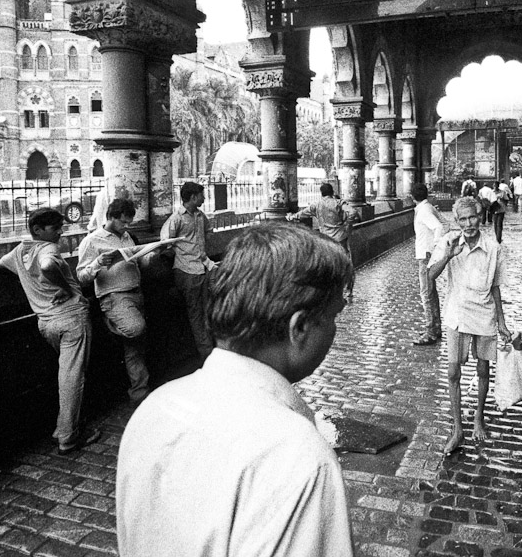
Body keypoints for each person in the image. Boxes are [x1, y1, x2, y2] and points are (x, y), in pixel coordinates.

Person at [117, 221, 355, 557]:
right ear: (299, 327)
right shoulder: (297, 456)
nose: (333, 331)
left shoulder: (155, 408)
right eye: (333, 317)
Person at [0, 208, 100, 454]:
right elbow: (46, 266)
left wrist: (28, 279)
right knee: (72, 378)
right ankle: (68, 436)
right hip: (71, 319)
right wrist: (66, 287)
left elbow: (0, 264)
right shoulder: (48, 249)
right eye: (56, 229)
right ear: (38, 230)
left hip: (46, 323)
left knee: (66, 375)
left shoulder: (20, 250)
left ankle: (62, 428)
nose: (61, 233)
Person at [427, 196, 513, 455]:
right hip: (457, 314)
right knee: (453, 372)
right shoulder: (449, 242)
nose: (468, 223)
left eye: (472, 217)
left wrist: (502, 323)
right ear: (457, 221)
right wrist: (449, 255)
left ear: (481, 217)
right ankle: (458, 429)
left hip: (484, 315)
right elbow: (430, 275)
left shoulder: (492, 246)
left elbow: (496, 287)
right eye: (462, 219)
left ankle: (478, 418)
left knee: (483, 369)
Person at [76, 197, 151, 404]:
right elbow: (81, 277)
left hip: (136, 292)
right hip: (114, 296)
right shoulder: (92, 241)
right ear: (110, 217)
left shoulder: (128, 236)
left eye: (129, 223)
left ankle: (139, 392)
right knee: (135, 329)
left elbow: (139, 263)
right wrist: (98, 263)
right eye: (123, 222)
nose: (126, 227)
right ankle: (111, 323)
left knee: (135, 347)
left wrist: (151, 255)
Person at [161, 182, 216, 360]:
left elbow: (208, 231)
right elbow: (165, 243)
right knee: (195, 314)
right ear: (193, 197)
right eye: (202, 195)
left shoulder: (200, 215)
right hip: (187, 272)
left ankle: (210, 349)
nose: (204, 198)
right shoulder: (176, 219)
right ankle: (206, 353)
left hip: (202, 268)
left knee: (206, 310)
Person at [411, 182, 444, 346]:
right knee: (431, 292)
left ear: (412, 197)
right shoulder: (428, 207)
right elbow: (444, 223)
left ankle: (430, 332)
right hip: (427, 253)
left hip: (426, 255)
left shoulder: (424, 211)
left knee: (426, 294)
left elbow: (438, 227)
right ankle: (436, 327)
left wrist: (436, 246)